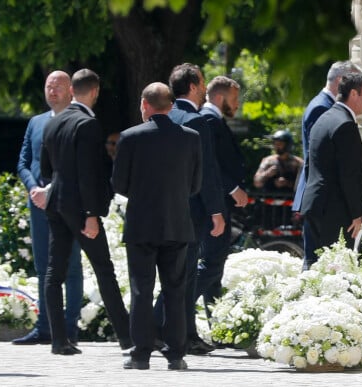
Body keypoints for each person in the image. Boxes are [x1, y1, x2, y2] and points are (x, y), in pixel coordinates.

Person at [40, 68, 131, 355]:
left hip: (56, 203)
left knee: (55, 272)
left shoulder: (52, 123)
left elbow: (45, 170)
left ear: (72, 91)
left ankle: (58, 340)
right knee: (104, 270)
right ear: (94, 92)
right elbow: (88, 174)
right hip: (80, 209)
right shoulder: (87, 124)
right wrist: (91, 214)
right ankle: (127, 338)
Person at [113, 82, 201, 371]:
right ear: (172, 106)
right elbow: (195, 184)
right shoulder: (191, 138)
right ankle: (176, 354)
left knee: (142, 289)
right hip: (177, 223)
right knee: (175, 289)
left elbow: (119, 185)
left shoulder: (129, 137)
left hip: (142, 224)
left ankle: (140, 354)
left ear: (145, 105)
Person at [153, 63, 225, 356]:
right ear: (194, 86)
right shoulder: (196, 121)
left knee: (177, 273)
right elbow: (206, 170)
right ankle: (169, 332)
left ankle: (184, 333)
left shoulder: (166, 115)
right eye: (203, 82)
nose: (205, 87)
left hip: (163, 207)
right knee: (185, 275)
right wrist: (216, 211)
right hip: (191, 210)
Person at [14, 71, 83, 346]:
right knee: (43, 266)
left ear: (70, 91)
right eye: (48, 86)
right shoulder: (36, 122)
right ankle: (45, 328)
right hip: (39, 205)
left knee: (72, 267)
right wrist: (34, 188)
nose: (52, 91)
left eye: (58, 87)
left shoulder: (80, 121)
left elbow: (79, 167)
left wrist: (50, 190)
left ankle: (69, 328)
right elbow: (23, 161)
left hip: (67, 204)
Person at [293, 61, 362, 270]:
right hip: (326, 199)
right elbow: (320, 159)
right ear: (343, 82)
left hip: (322, 197)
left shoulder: (325, 107)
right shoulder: (323, 108)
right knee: (319, 265)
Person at [300, 72, 362, 252]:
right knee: (335, 273)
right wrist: (357, 214)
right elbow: (349, 174)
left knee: (315, 269)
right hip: (335, 211)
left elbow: (310, 164)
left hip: (315, 205)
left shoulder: (324, 119)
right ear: (354, 94)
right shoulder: (345, 124)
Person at [197, 76, 248, 321]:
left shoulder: (214, 120)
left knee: (215, 267)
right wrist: (233, 188)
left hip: (220, 201)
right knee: (212, 264)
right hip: (214, 203)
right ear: (219, 97)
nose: (237, 104)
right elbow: (212, 163)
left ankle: (215, 323)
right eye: (234, 98)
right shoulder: (208, 120)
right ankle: (170, 310)